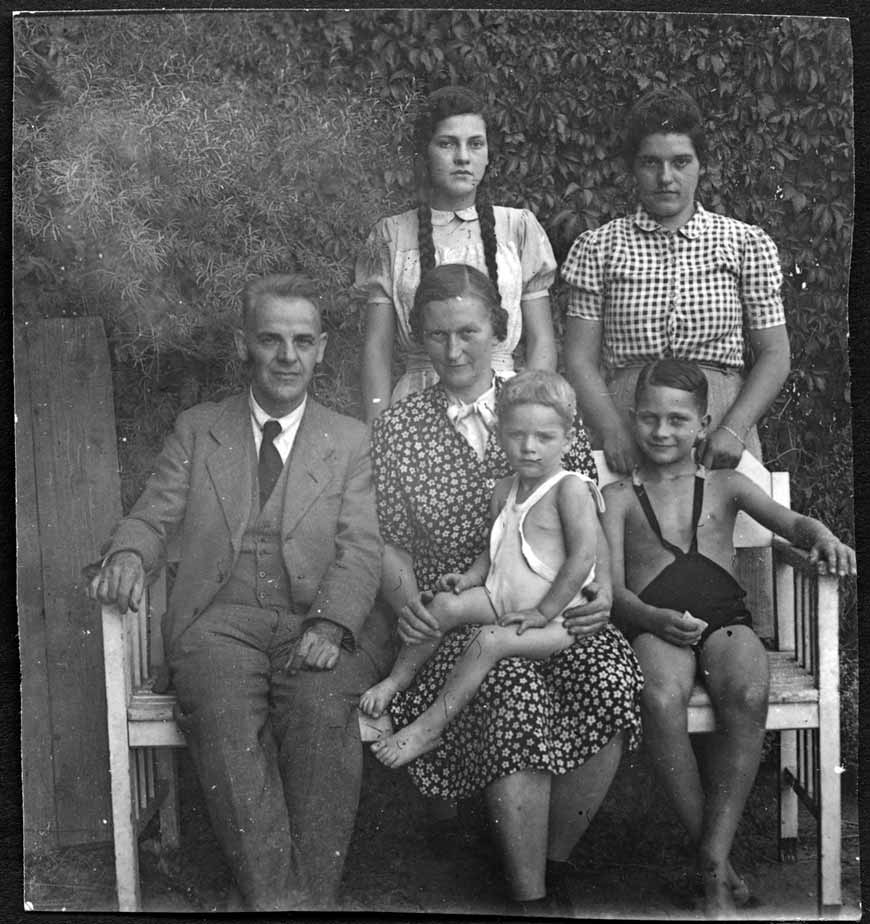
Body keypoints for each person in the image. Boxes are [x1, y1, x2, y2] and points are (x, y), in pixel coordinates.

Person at [86, 274, 392, 911]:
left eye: (302, 341)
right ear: (243, 344)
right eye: (272, 340)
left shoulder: (348, 440)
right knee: (223, 717)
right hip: (219, 623)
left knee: (319, 712)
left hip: (315, 620)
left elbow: (362, 548)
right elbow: (152, 514)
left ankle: (293, 899)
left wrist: (332, 624)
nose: (288, 356)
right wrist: (126, 552)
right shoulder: (201, 430)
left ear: (323, 348)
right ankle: (285, 903)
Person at [369, 262, 643, 912]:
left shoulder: (541, 405)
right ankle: (531, 898)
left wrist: (600, 589)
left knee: (612, 675)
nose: (455, 349)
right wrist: (410, 602)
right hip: (459, 619)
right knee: (511, 684)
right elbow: (384, 540)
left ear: (499, 328)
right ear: (419, 339)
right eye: (437, 336)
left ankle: (550, 859)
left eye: (469, 331)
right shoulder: (400, 429)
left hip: (552, 605)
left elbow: (587, 519)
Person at [601, 358, 855, 916]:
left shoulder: (726, 484)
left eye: (677, 419)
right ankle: (717, 864)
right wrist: (650, 618)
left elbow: (794, 526)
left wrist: (825, 535)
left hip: (725, 620)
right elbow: (613, 592)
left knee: (745, 692)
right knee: (659, 697)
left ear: (704, 422)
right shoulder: (618, 497)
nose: (662, 432)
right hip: (654, 623)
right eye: (649, 418)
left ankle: (713, 857)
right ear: (632, 417)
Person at [361, 370, 605, 769]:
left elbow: (583, 558)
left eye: (544, 438)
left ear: (569, 439)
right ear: (500, 434)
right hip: (501, 596)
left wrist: (544, 612)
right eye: (516, 435)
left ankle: (428, 727)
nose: (529, 448)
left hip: (558, 619)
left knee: (488, 642)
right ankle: (397, 680)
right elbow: (496, 547)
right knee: (441, 606)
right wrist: (472, 578)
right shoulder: (504, 488)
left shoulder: (571, 488)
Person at [561, 87, 790, 474]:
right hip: (629, 420)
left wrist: (734, 429)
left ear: (701, 165)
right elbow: (579, 358)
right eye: (651, 162)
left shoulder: (744, 242)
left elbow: (775, 353)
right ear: (633, 168)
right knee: (621, 531)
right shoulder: (597, 246)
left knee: (724, 532)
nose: (665, 177)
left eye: (681, 162)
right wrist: (612, 429)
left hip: (718, 421)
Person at [355, 85, 558, 421]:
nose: (463, 157)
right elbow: (377, 349)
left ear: (488, 153)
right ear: (425, 152)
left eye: (475, 144)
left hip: (506, 409)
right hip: (415, 409)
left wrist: (528, 412)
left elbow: (542, 343)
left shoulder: (518, 227)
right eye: (447, 144)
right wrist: (381, 428)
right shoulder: (391, 234)